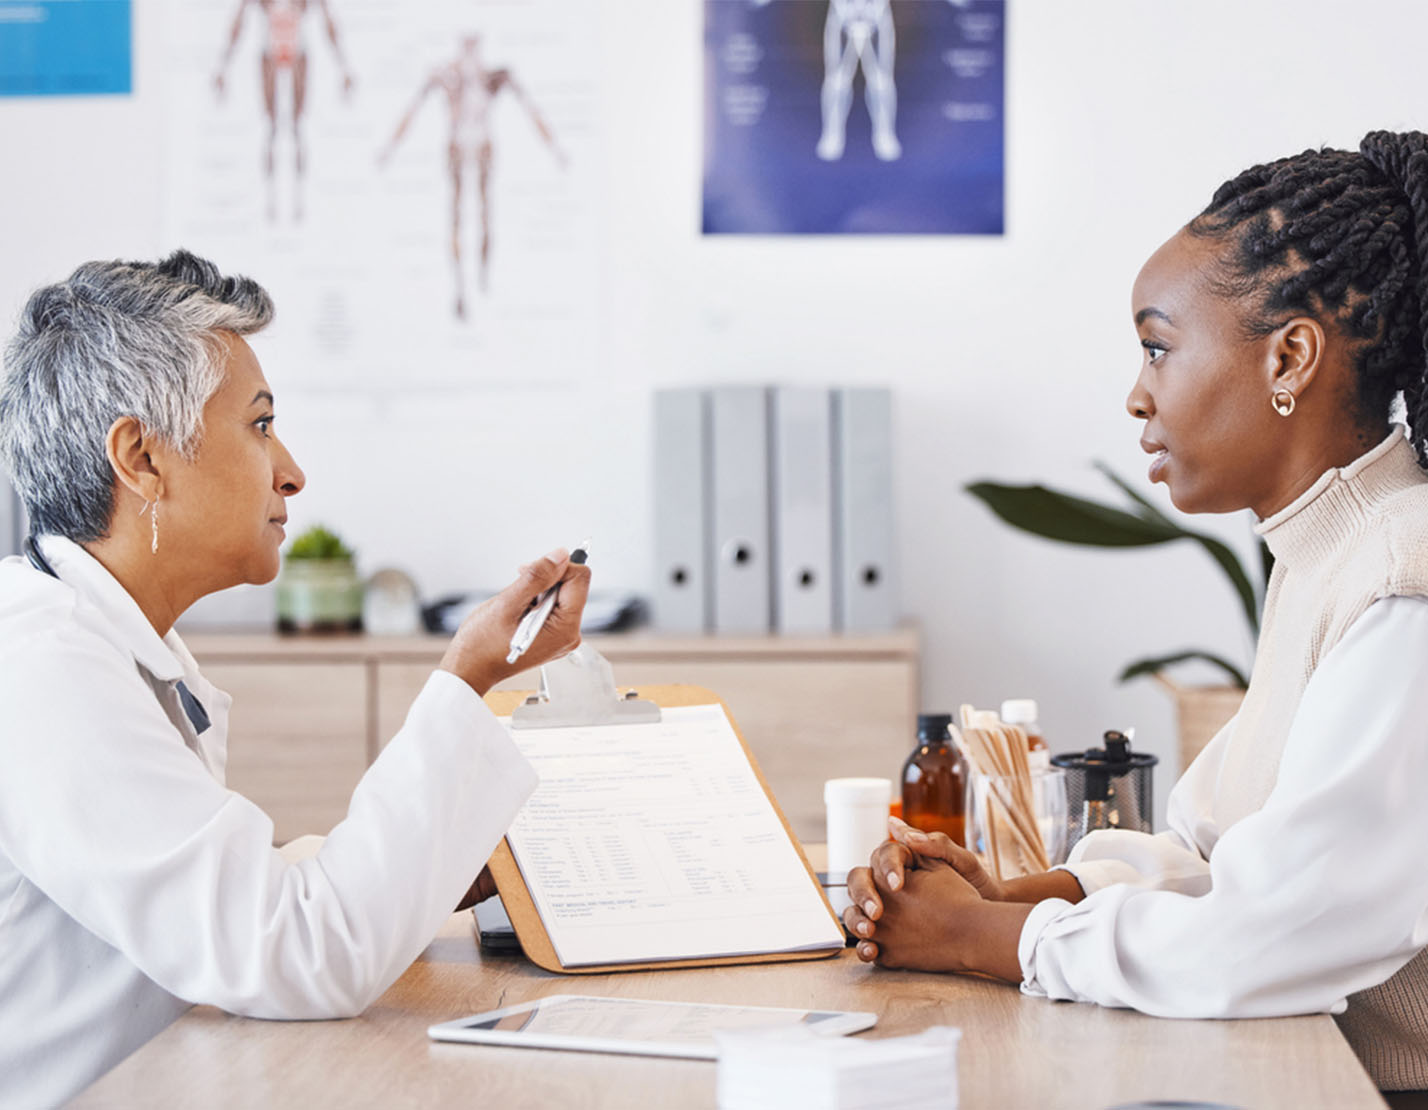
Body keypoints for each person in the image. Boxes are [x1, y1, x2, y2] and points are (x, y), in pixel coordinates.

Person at [844, 129, 1428, 1099]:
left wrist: (990, 938)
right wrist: (1022, 892)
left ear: (1290, 358)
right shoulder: (1331, 548)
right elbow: (1214, 848)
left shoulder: (1401, 574)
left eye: (1159, 347)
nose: (1136, 394)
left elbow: (1275, 929)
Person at [0, 251, 590, 1107]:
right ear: (141, 457)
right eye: (261, 424)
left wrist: (429, 865)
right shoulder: (42, 667)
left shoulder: (100, 636)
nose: (291, 472)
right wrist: (466, 677)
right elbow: (298, 952)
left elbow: (231, 892)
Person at [377, 34, 567, 321]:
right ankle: (461, 288)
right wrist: (390, 149)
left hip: (481, 147)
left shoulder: (492, 78)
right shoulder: (447, 76)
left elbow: (531, 110)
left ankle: (482, 279)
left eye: (473, 45)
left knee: (484, 213)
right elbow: (412, 110)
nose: (469, 51)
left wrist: (555, 148)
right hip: (458, 147)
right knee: (457, 217)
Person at [213, 0, 356, 222]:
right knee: (272, 129)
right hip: (270, 53)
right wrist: (224, 66)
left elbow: (329, 22)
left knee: (296, 129)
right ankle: (271, 203)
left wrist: (343, 66)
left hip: (297, 52)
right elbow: (238, 22)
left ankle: (298, 202)